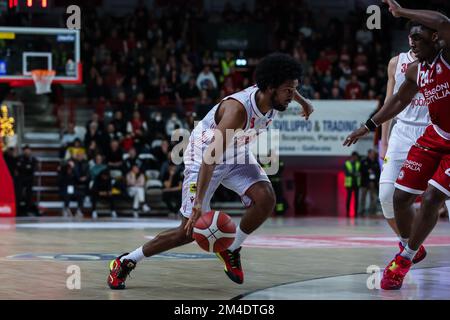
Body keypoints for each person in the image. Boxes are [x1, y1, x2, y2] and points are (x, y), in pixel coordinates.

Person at [107, 53, 314, 289]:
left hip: (236, 152)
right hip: (203, 157)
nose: (291, 95)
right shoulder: (238, 111)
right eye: (288, 90)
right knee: (187, 231)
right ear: (269, 87)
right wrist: (197, 204)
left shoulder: (274, 95)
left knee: (266, 198)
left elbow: (289, 88)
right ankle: (125, 261)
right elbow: (209, 158)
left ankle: (232, 249)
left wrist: (303, 101)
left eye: (294, 90)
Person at [344, 1, 450, 290]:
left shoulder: (448, 56)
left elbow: (442, 20)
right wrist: (367, 127)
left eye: (419, 37)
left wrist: (402, 13)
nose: (413, 42)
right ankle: (411, 247)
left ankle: (404, 259)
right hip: (436, 135)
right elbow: (399, 101)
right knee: (399, 198)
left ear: (436, 38)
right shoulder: (416, 70)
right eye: (410, 37)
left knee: (431, 199)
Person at [378, 34, 430, 238]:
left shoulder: (441, 62)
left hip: (432, 130)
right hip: (402, 132)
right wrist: (384, 140)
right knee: (385, 196)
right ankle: (408, 246)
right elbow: (388, 101)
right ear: (408, 38)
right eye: (414, 36)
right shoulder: (396, 62)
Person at [360, 149, 380, 216]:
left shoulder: (376, 162)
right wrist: (367, 171)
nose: (373, 155)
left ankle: (372, 211)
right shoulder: (364, 161)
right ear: (368, 154)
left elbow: (378, 172)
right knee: (363, 197)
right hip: (365, 182)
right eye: (372, 154)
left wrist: (377, 181)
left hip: (373, 183)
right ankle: (361, 210)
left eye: (374, 154)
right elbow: (361, 170)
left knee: (373, 197)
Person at [344, 152, 361, 217]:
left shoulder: (358, 163)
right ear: (352, 156)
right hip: (349, 183)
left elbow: (359, 172)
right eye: (355, 156)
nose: (356, 158)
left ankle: (356, 213)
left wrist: (353, 173)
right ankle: (347, 212)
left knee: (356, 199)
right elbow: (347, 173)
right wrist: (355, 174)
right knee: (349, 198)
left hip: (356, 183)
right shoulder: (347, 163)